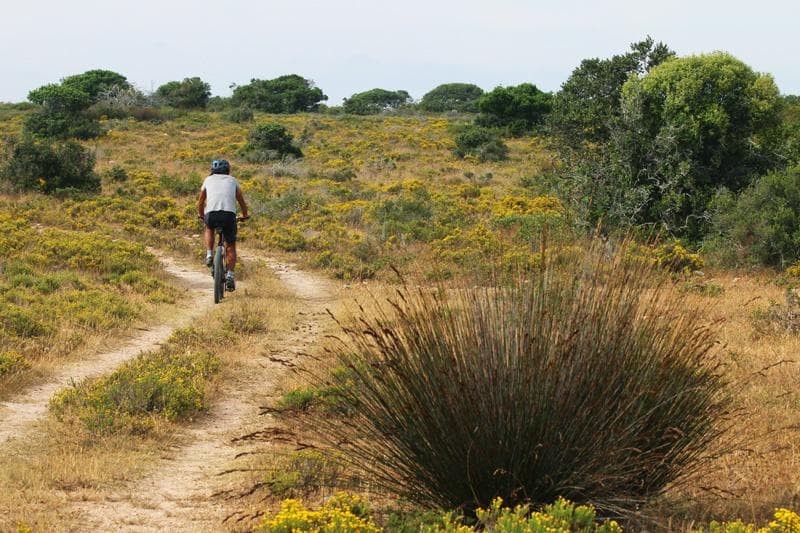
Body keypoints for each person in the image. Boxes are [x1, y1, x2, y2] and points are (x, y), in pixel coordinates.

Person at [197, 159, 249, 291]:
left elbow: (201, 201)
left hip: (212, 214)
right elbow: (241, 201)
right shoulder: (232, 180)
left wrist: (202, 215)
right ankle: (230, 275)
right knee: (230, 245)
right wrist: (245, 215)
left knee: (209, 227)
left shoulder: (208, 180)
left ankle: (209, 254)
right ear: (228, 170)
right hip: (229, 215)